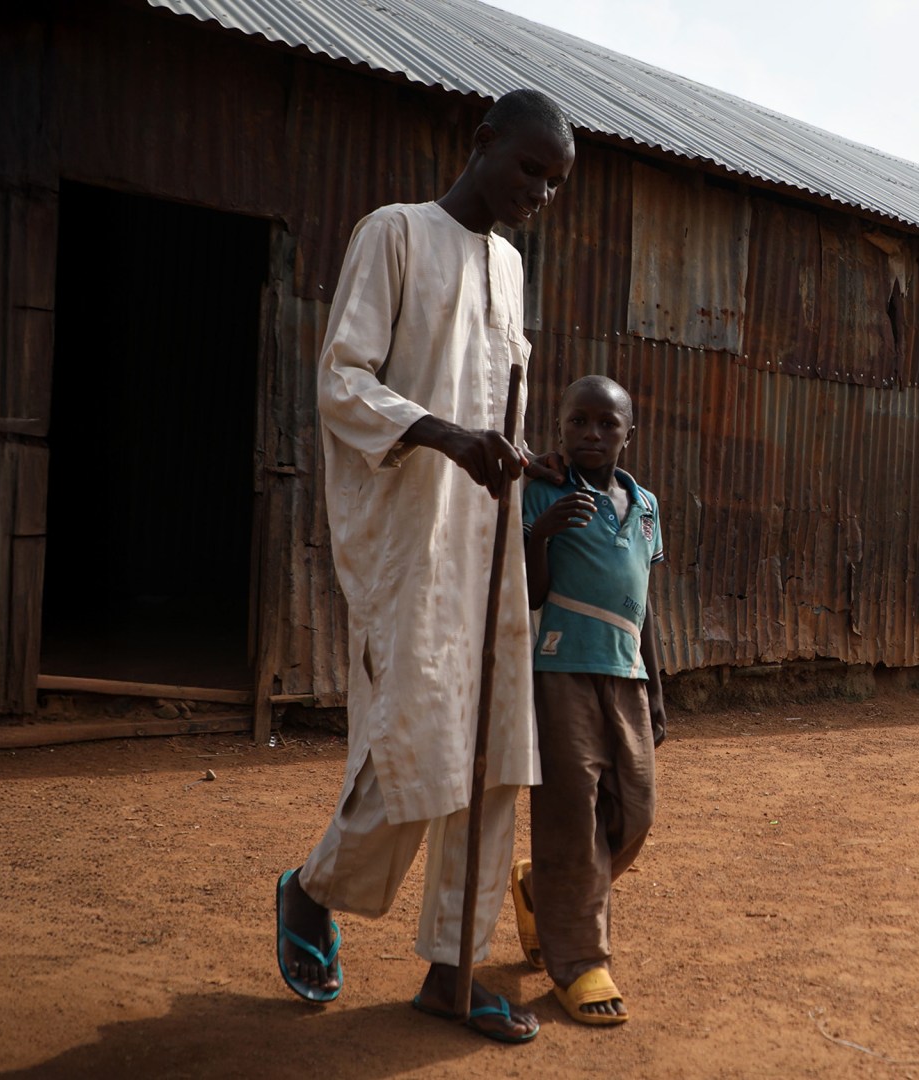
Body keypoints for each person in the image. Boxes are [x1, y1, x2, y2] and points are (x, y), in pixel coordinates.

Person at [273, 88, 575, 1045]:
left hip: (490, 544)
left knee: (494, 759)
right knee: (413, 748)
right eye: (530, 168)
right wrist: (443, 436)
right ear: (481, 144)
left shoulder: (512, 269)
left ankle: (451, 972)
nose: (540, 192)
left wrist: (518, 457)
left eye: (555, 182)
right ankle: (314, 888)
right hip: (412, 542)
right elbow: (343, 379)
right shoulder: (396, 234)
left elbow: (498, 403)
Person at [511, 375, 668, 1025]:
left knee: (635, 813)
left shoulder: (647, 505)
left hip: (627, 675)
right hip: (561, 671)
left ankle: (540, 888)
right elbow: (529, 591)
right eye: (579, 421)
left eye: (608, 424)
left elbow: (643, 603)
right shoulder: (542, 490)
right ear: (560, 430)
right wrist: (539, 533)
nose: (593, 434)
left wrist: (658, 689)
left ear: (630, 435)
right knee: (572, 812)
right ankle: (578, 961)